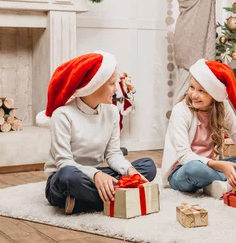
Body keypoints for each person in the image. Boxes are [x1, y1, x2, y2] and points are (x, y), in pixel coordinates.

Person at [43, 51, 157, 214]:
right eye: (111, 84)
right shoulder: (62, 115)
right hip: (65, 178)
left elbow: (113, 154)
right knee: (68, 176)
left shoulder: (111, 112)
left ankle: (82, 202)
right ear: (93, 86)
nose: (116, 88)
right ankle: (120, 197)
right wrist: (95, 175)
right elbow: (64, 163)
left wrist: (129, 171)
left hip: (95, 173)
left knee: (147, 166)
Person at [161, 59, 236, 198]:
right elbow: (184, 156)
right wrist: (221, 166)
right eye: (192, 87)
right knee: (194, 169)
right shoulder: (181, 110)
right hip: (182, 170)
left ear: (214, 95)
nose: (194, 95)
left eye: (201, 91)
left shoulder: (222, 107)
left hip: (212, 167)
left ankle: (218, 183)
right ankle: (232, 180)